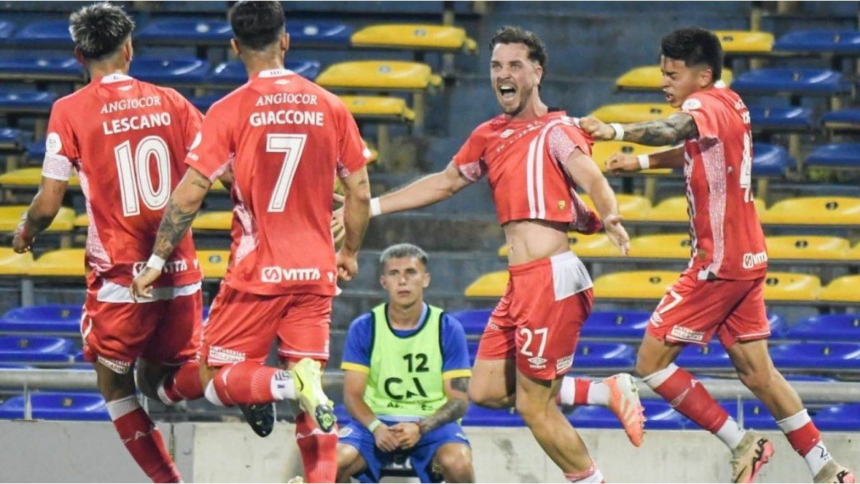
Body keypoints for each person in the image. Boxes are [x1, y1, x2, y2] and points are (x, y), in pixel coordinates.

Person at [344, 25, 644, 483]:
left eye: (515, 65)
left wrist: (611, 214)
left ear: (536, 72)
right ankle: (601, 392)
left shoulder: (557, 129)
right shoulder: (489, 134)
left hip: (551, 279)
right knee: (482, 390)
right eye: (496, 66)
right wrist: (374, 205)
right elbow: (445, 182)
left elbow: (592, 176)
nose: (503, 74)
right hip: (521, 283)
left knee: (532, 406)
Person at [580, 27, 855, 484]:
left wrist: (616, 131)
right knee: (758, 373)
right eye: (662, 73)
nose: (664, 82)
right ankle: (827, 467)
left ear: (702, 75)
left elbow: (678, 128)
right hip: (748, 259)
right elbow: (697, 148)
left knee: (649, 362)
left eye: (672, 74)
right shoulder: (730, 103)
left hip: (719, 264)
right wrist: (641, 162)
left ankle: (742, 442)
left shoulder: (701, 105)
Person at [129, 2, 372, 482]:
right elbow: (360, 192)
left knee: (219, 378)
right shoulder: (329, 104)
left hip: (258, 273)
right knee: (313, 392)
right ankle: (299, 392)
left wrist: (157, 257)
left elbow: (191, 191)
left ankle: (280, 384)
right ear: (286, 40)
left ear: (235, 47)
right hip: (316, 272)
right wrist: (349, 252)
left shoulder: (229, 110)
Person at [9, 4, 223, 482]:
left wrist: (25, 231)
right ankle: (241, 384)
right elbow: (220, 168)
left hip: (123, 281)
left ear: (77, 56)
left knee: (116, 385)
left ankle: (170, 483)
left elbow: (48, 204)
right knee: (162, 379)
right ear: (129, 48)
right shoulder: (171, 100)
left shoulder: (69, 111)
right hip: (180, 271)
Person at [336, 243, 475, 483]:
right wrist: (376, 427)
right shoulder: (365, 326)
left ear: (426, 279)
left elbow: (459, 401)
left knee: (459, 463)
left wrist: (420, 428)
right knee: (332, 463)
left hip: (431, 424)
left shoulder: (448, 328)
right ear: (383, 282)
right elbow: (352, 395)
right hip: (376, 421)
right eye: (394, 273)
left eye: (411, 272)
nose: (402, 281)